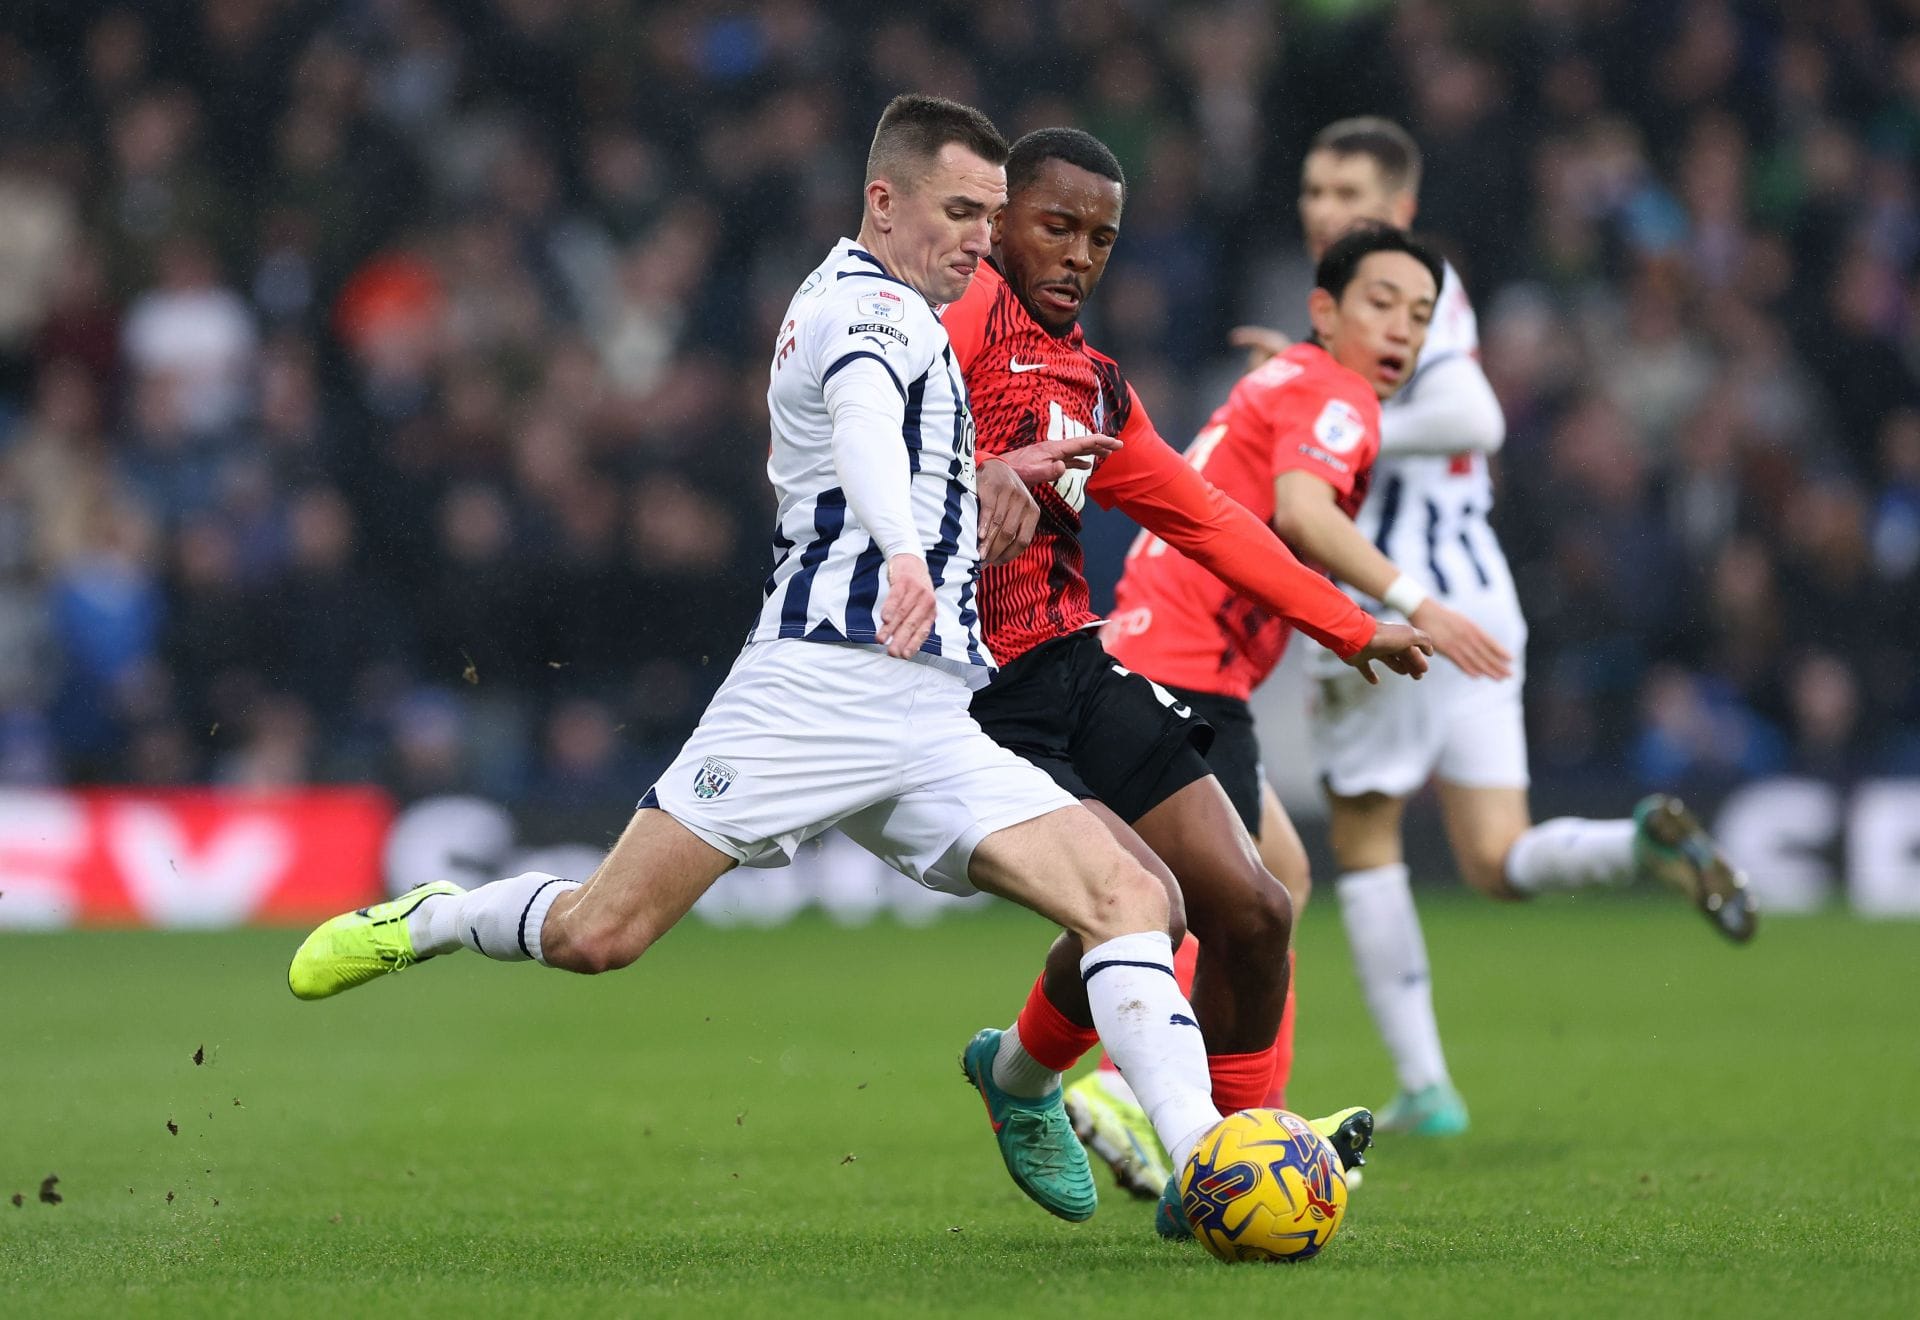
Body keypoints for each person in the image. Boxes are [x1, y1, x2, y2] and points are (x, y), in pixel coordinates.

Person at [285, 95, 1235, 1220]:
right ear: (883, 201)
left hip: (933, 708)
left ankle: (1207, 1164)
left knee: (1133, 895)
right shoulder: (860, 312)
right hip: (812, 688)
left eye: (991, 213)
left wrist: (1002, 472)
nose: (982, 238)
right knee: (604, 935)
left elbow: (922, 453)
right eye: (960, 211)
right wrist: (899, 546)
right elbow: (869, 428)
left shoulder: (924, 316)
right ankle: (436, 916)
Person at [1108, 118, 1755, 1152]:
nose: (1326, 209)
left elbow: (1474, 421)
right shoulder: (1344, 352)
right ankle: (1631, 843)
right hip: (1478, 597)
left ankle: (1402, 1087)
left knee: (1334, 854)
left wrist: (1345, 406)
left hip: (1401, 613)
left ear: (1402, 212)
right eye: (1315, 190)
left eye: (1350, 192)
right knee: (1492, 856)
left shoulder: (1402, 301)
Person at [940, 128, 1432, 1227]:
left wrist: (1354, 626)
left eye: (1100, 238)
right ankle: (1040, 1091)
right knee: (1144, 912)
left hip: (1076, 662)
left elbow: (1210, 518)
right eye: (1055, 226)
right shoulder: (955, 319)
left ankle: (1227, 1164)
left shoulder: (1095, 388)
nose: (1077, 255)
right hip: (966, 690)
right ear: (1001, 221)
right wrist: (968, 474)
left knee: (1255, 909)